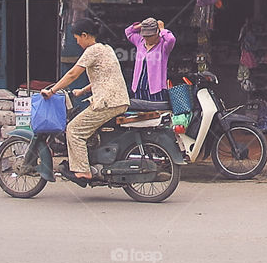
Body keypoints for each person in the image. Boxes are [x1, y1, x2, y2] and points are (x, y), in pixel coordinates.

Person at [40, 18, 129, 185]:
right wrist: (82, 91)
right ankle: (93, 162)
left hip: (107, 102)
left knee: (74, 130)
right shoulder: (106, 49)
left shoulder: (92, 50)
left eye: (77, 38)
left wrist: (52, 91)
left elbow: (73, 74)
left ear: (85, 35)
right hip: (117, 100)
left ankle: (83, 172)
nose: (77, 42)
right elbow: (103, 77)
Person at [125, 17, 176, 101]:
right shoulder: (140, 41)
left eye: (150, 36)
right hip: (138, 88)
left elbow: (171, 39)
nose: (147, 38)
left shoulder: (163, 45)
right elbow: (128, 32)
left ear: (157, 33)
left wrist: (162, 29)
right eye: (145, 36)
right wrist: (142, 25)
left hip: (156, 89)